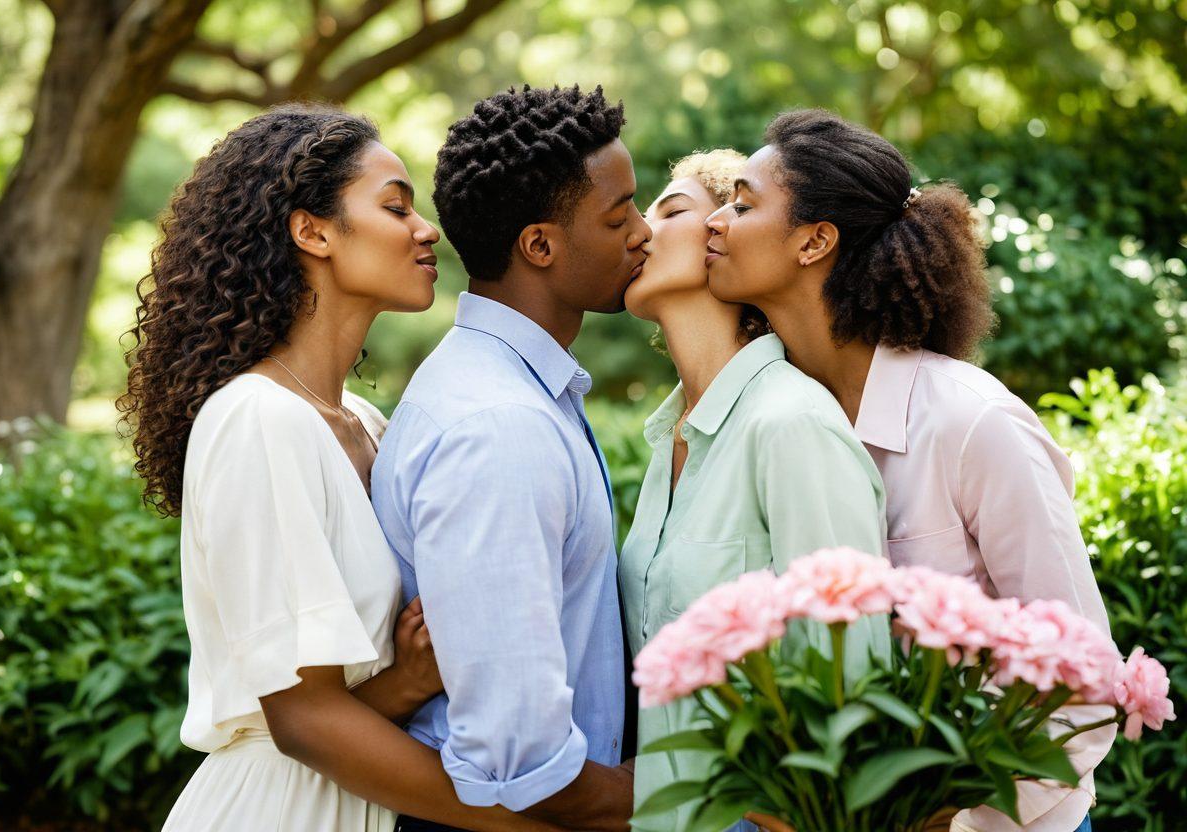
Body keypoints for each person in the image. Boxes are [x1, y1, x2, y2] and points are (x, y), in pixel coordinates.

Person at [120, 103, 558, 832]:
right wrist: (540, 824)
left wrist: (409, 681)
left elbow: (325, 705)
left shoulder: (368, 424)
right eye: (396, 207)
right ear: (313, 231)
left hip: (363, 795)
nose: (427, 230)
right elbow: (301, 722)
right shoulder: (257, 420)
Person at [707, 108, 1111, 832]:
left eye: (742, 204)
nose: (716, 221)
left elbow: (1082, 679)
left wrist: (940, 813)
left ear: (814, 241)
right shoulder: (774, 422)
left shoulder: (972, 423)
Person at [370, 85, 648, 832]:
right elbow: (519, 761)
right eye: (618, 217)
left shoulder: (514, 390)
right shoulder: (499, 427)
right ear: (540, 246)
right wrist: (675, 795)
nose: (644, 233)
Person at [618, 148, 891, 832]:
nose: (639, 231)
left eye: (670, 211)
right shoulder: (670, 438)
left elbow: (851, 688)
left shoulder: (791, 425)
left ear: (724, 236)